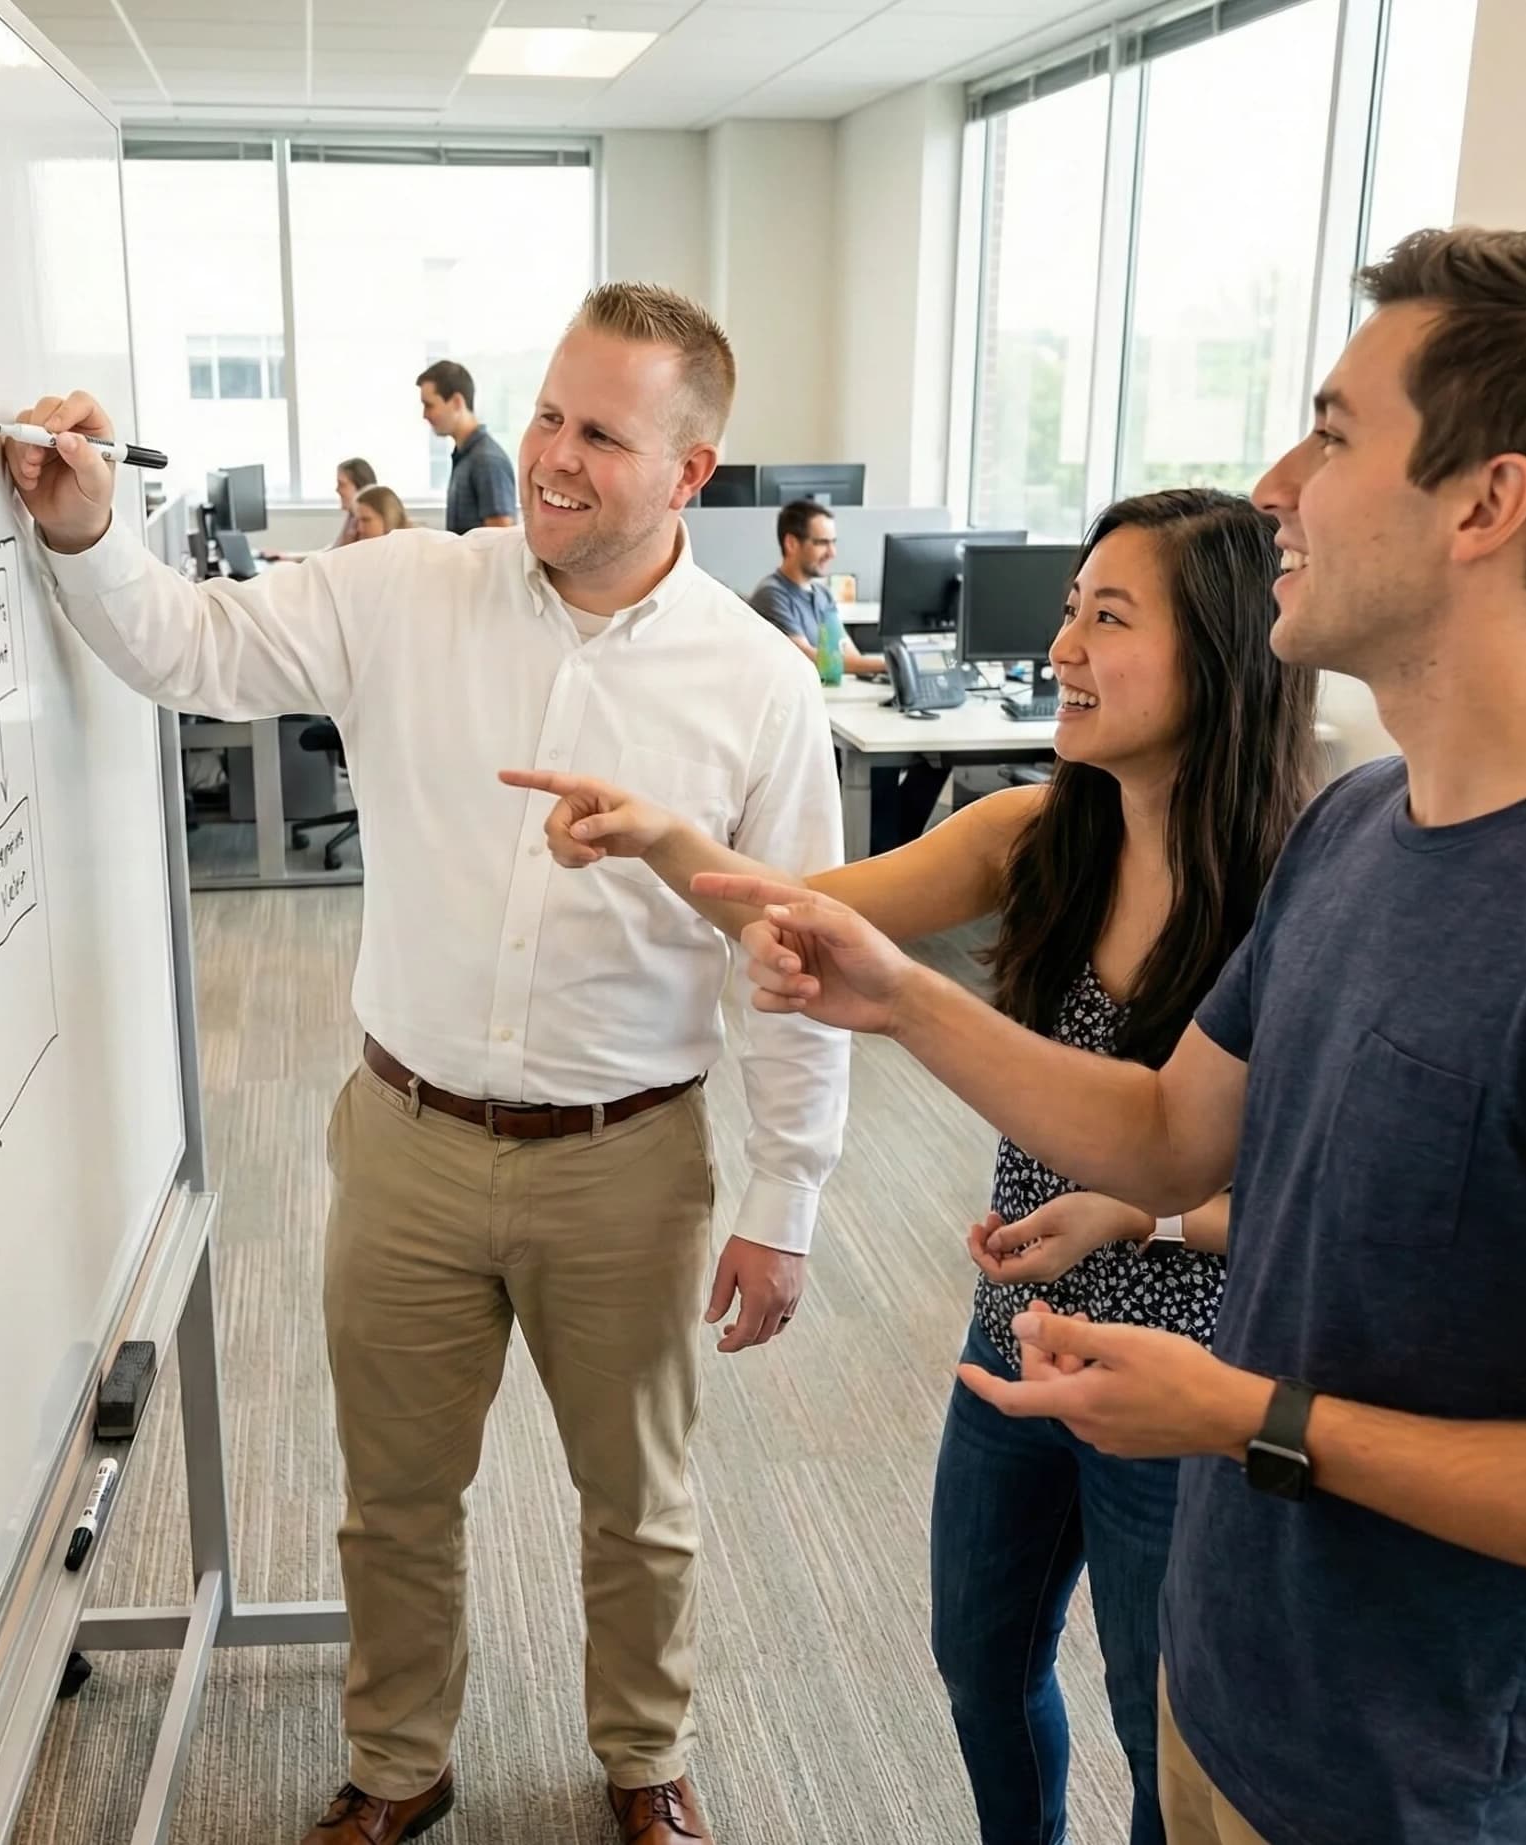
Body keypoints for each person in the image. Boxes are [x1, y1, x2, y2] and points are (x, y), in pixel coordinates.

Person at [693, 227, 1526, 1845]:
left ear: (1488, 503)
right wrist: (900, 994)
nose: (1276, 486)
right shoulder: (1358, 832)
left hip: (1414, 1785)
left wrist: (1241, 1418)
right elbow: (1166, 1137)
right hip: (1227, 1691)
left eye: (1336, 433)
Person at [6, 281, 850, 1845]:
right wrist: (86, 532)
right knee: (394, 1499)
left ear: (696, 468)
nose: (552, 455)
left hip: (630, 1159)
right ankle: (398, 1765)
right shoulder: (404, 589)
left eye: (602, 431)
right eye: (545, 413)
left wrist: (788, 1191)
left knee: (640, 1508)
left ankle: (643, 1757)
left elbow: (795, 962)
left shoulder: (756, 687)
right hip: (407, 1139)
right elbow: (188, 647)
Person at [506, 487, 1319, 1845]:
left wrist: (1144, 1213)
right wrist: (657, 834)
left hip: (1184, 1383)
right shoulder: (1035, 833)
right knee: (979, 1662)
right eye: (1069, 607)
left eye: (1106, 618)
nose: (1061, 647)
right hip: (1015, 1338)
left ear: (1223, 648)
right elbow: (803, 909)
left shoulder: (1299, 888)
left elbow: (1313, 1199)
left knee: (1155, 1717)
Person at [748, 500, 886, 675]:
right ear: (791, 543)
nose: (832, 553)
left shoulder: (823, 595)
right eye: (822, 543)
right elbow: (809, 658)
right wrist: (885, 664)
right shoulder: (771, 594)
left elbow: (848, 653)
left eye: (833, 542)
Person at [417, 358, 518, 534]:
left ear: (457, 402)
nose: (425, 415)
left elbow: (500, 539)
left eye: (429, 405)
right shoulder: (465, 457)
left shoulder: (486, 460)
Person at [262, 456, 377, 561]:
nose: (337, 489)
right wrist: (285, 557)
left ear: (360, 487)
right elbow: (331, 551)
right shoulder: (352, 517)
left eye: (341, 484)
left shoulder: (364, 524)